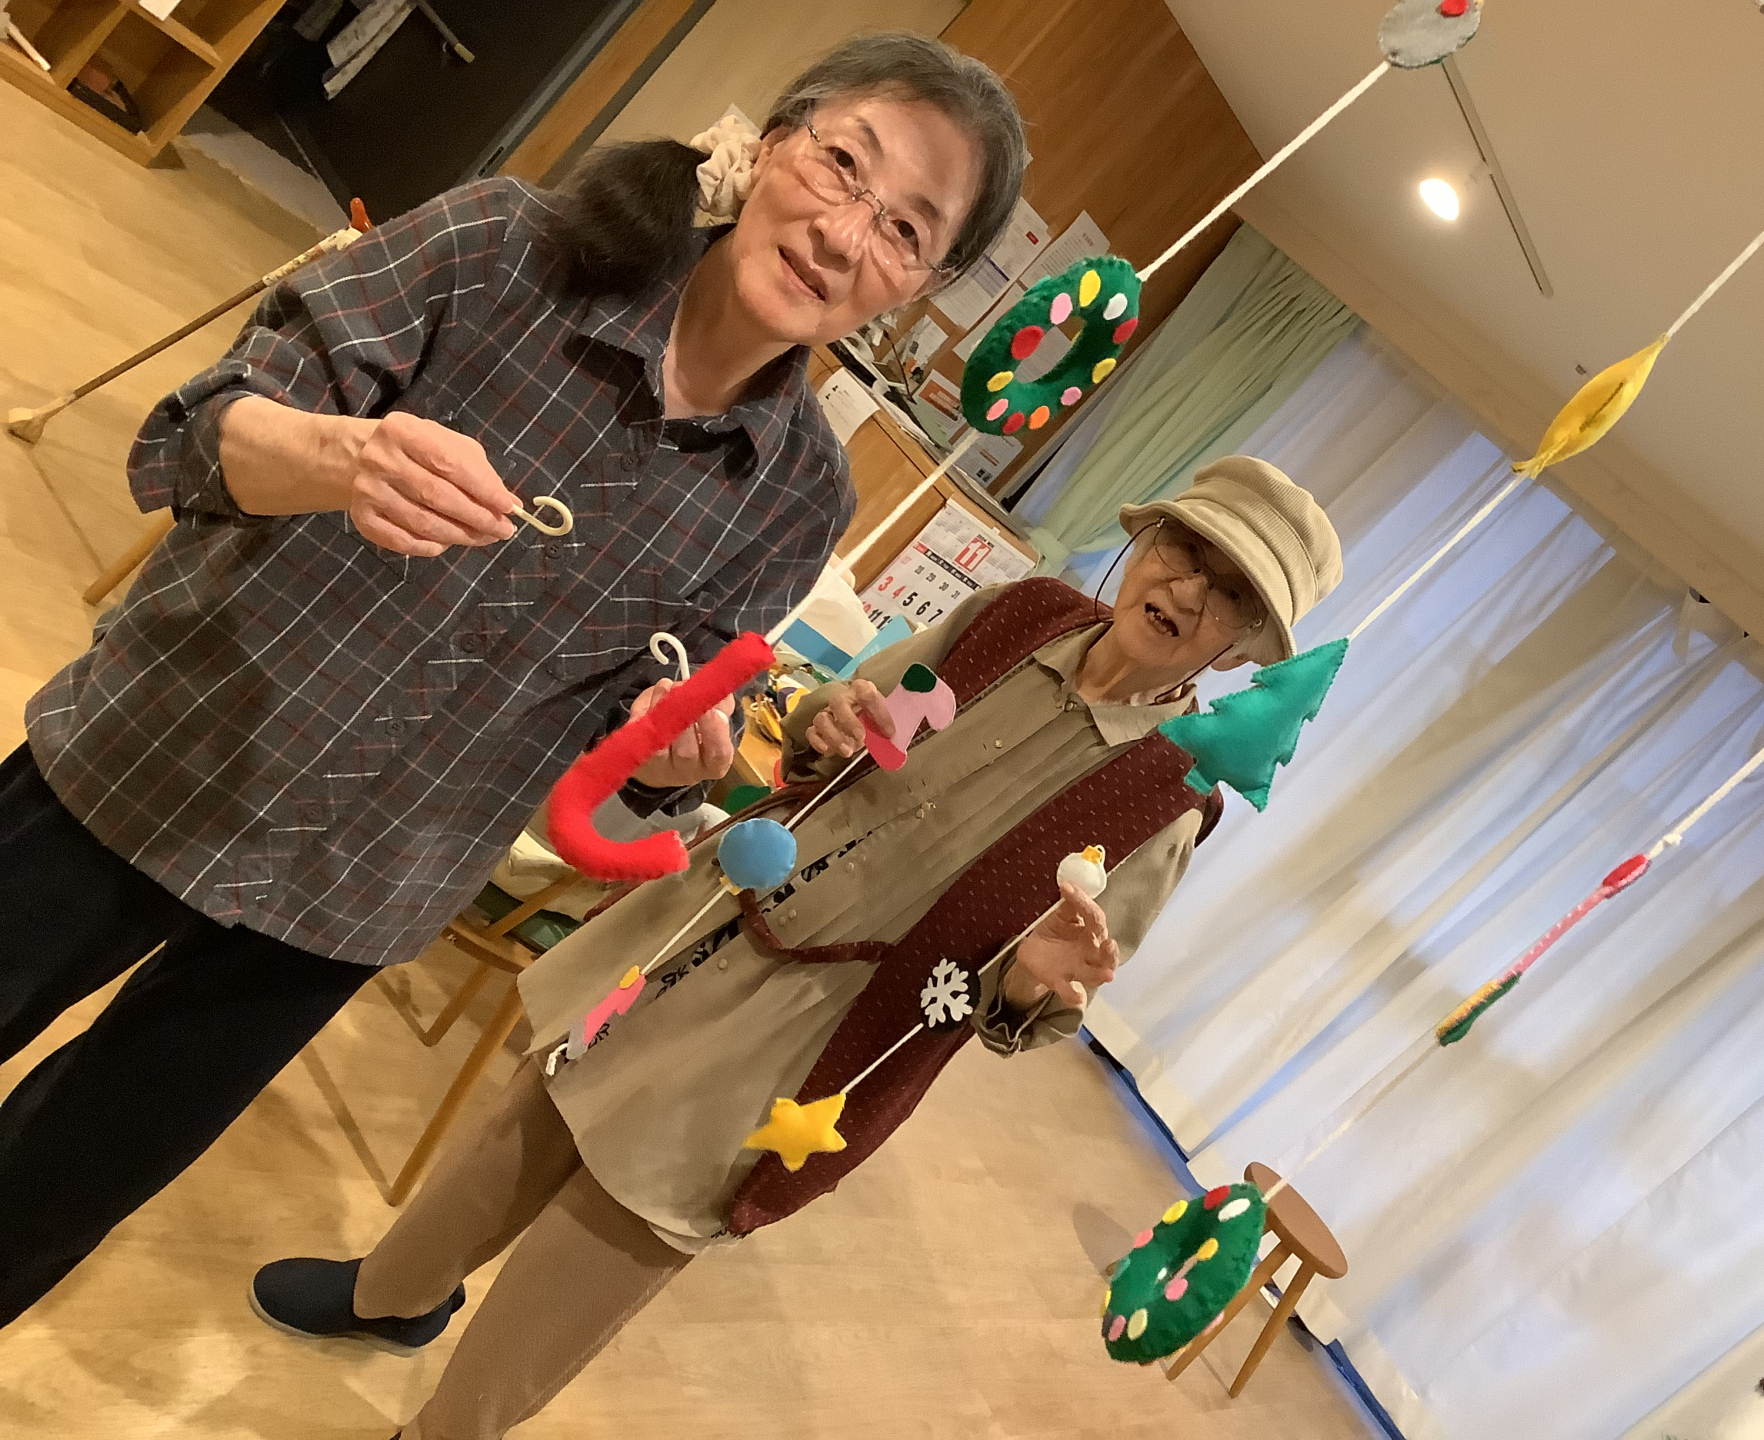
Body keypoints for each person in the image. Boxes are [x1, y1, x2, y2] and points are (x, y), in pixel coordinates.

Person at [0, 33, 1027, 1328]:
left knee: (55, 1194)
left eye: (905, 230)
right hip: (166, 748)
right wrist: (339, 457)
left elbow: (621, 740)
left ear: (922, 285)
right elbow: (197, 433)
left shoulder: (796, 497)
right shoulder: (508, 247)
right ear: (774, 142)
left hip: (355, 894)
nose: (844, 232)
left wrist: (662, 757)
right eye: (842, 165)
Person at [251, 456, 1344, 1439]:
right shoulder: (1018, 613)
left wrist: (1028, 986)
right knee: (539, 1104)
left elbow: (1043, 1001)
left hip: (822, 1033)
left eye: (1230, 594)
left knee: (628, 1222)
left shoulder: (1168, 796)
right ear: (1145, 541)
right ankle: (391, 1296)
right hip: (720, 914)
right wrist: (830, 718)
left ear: (1245, 649)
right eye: (1185, 550)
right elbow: (852, 710)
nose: (1188, 589)